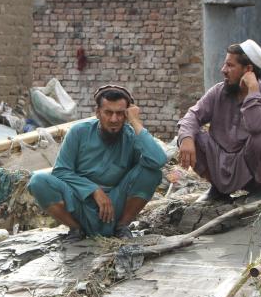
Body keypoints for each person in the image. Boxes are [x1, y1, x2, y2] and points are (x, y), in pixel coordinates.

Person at [28, 84, 167, 240]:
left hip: (116, 204)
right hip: (79, 201)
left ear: (126, 115)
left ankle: (121, 227)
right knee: (38, 181)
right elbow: (61, 171)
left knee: (151, 173)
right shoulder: (78, 132)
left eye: (120, 114)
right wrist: (94, 190)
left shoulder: (131, 136)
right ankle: (76, 230)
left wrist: (135, 122)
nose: (114, 119)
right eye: (108, 112)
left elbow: (158, 160)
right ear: (98, 113)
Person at [177, 40, 261, 201]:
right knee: (190, 134)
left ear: (248, 70)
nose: (223, 70)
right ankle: (218, 190)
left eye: (230, 66)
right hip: (219, 157)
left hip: (248, 162)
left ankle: (256, 190)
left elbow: (255, 126)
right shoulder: (218, 91)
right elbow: (193, 115)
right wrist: (187, 139)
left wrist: (253, 92)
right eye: (225, 65)